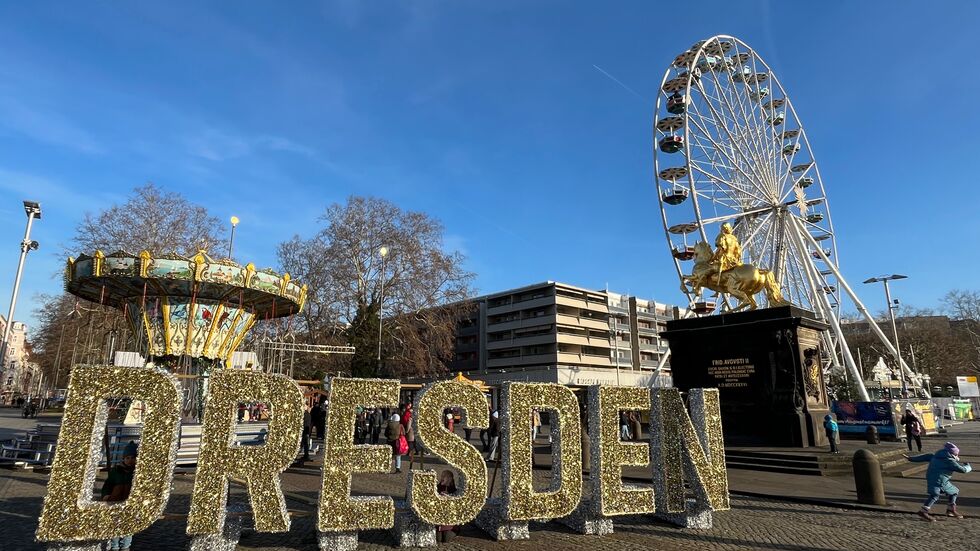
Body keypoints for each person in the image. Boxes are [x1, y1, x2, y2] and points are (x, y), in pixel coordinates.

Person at [908, 442, 972, 521]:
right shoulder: (950, 462)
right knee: (935, 495)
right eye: (956, 454)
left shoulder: (935, 456)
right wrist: (968, 466)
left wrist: (911, 459)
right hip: (938, 481)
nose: (957, 456)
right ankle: (923, 512)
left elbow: (924, 457)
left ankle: (950, 510)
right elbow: (963, 470)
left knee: (954, 491)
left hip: (938, 480)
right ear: (953, 454)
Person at [102, 441, 138, 550]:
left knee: (128, 527)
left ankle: (125, 547)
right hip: (115, 502)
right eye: (127, 458)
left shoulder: (137, 473)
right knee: (115, 526)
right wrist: (106, 495)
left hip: (129, 504)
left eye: (133, 458)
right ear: (123, 458)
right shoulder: (116, 471)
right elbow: (108, 484)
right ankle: (114, 546)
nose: (130, 460)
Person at [436, 470, 460, 543]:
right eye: (441, 476)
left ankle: (456, 530)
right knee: (438, 539)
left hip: (449, 520)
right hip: (439, 520)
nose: (442, 477)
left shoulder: (454, 490)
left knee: (446, 539)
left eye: (444, 476)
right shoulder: (438, 487)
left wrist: (449, 496)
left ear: (450, 478)